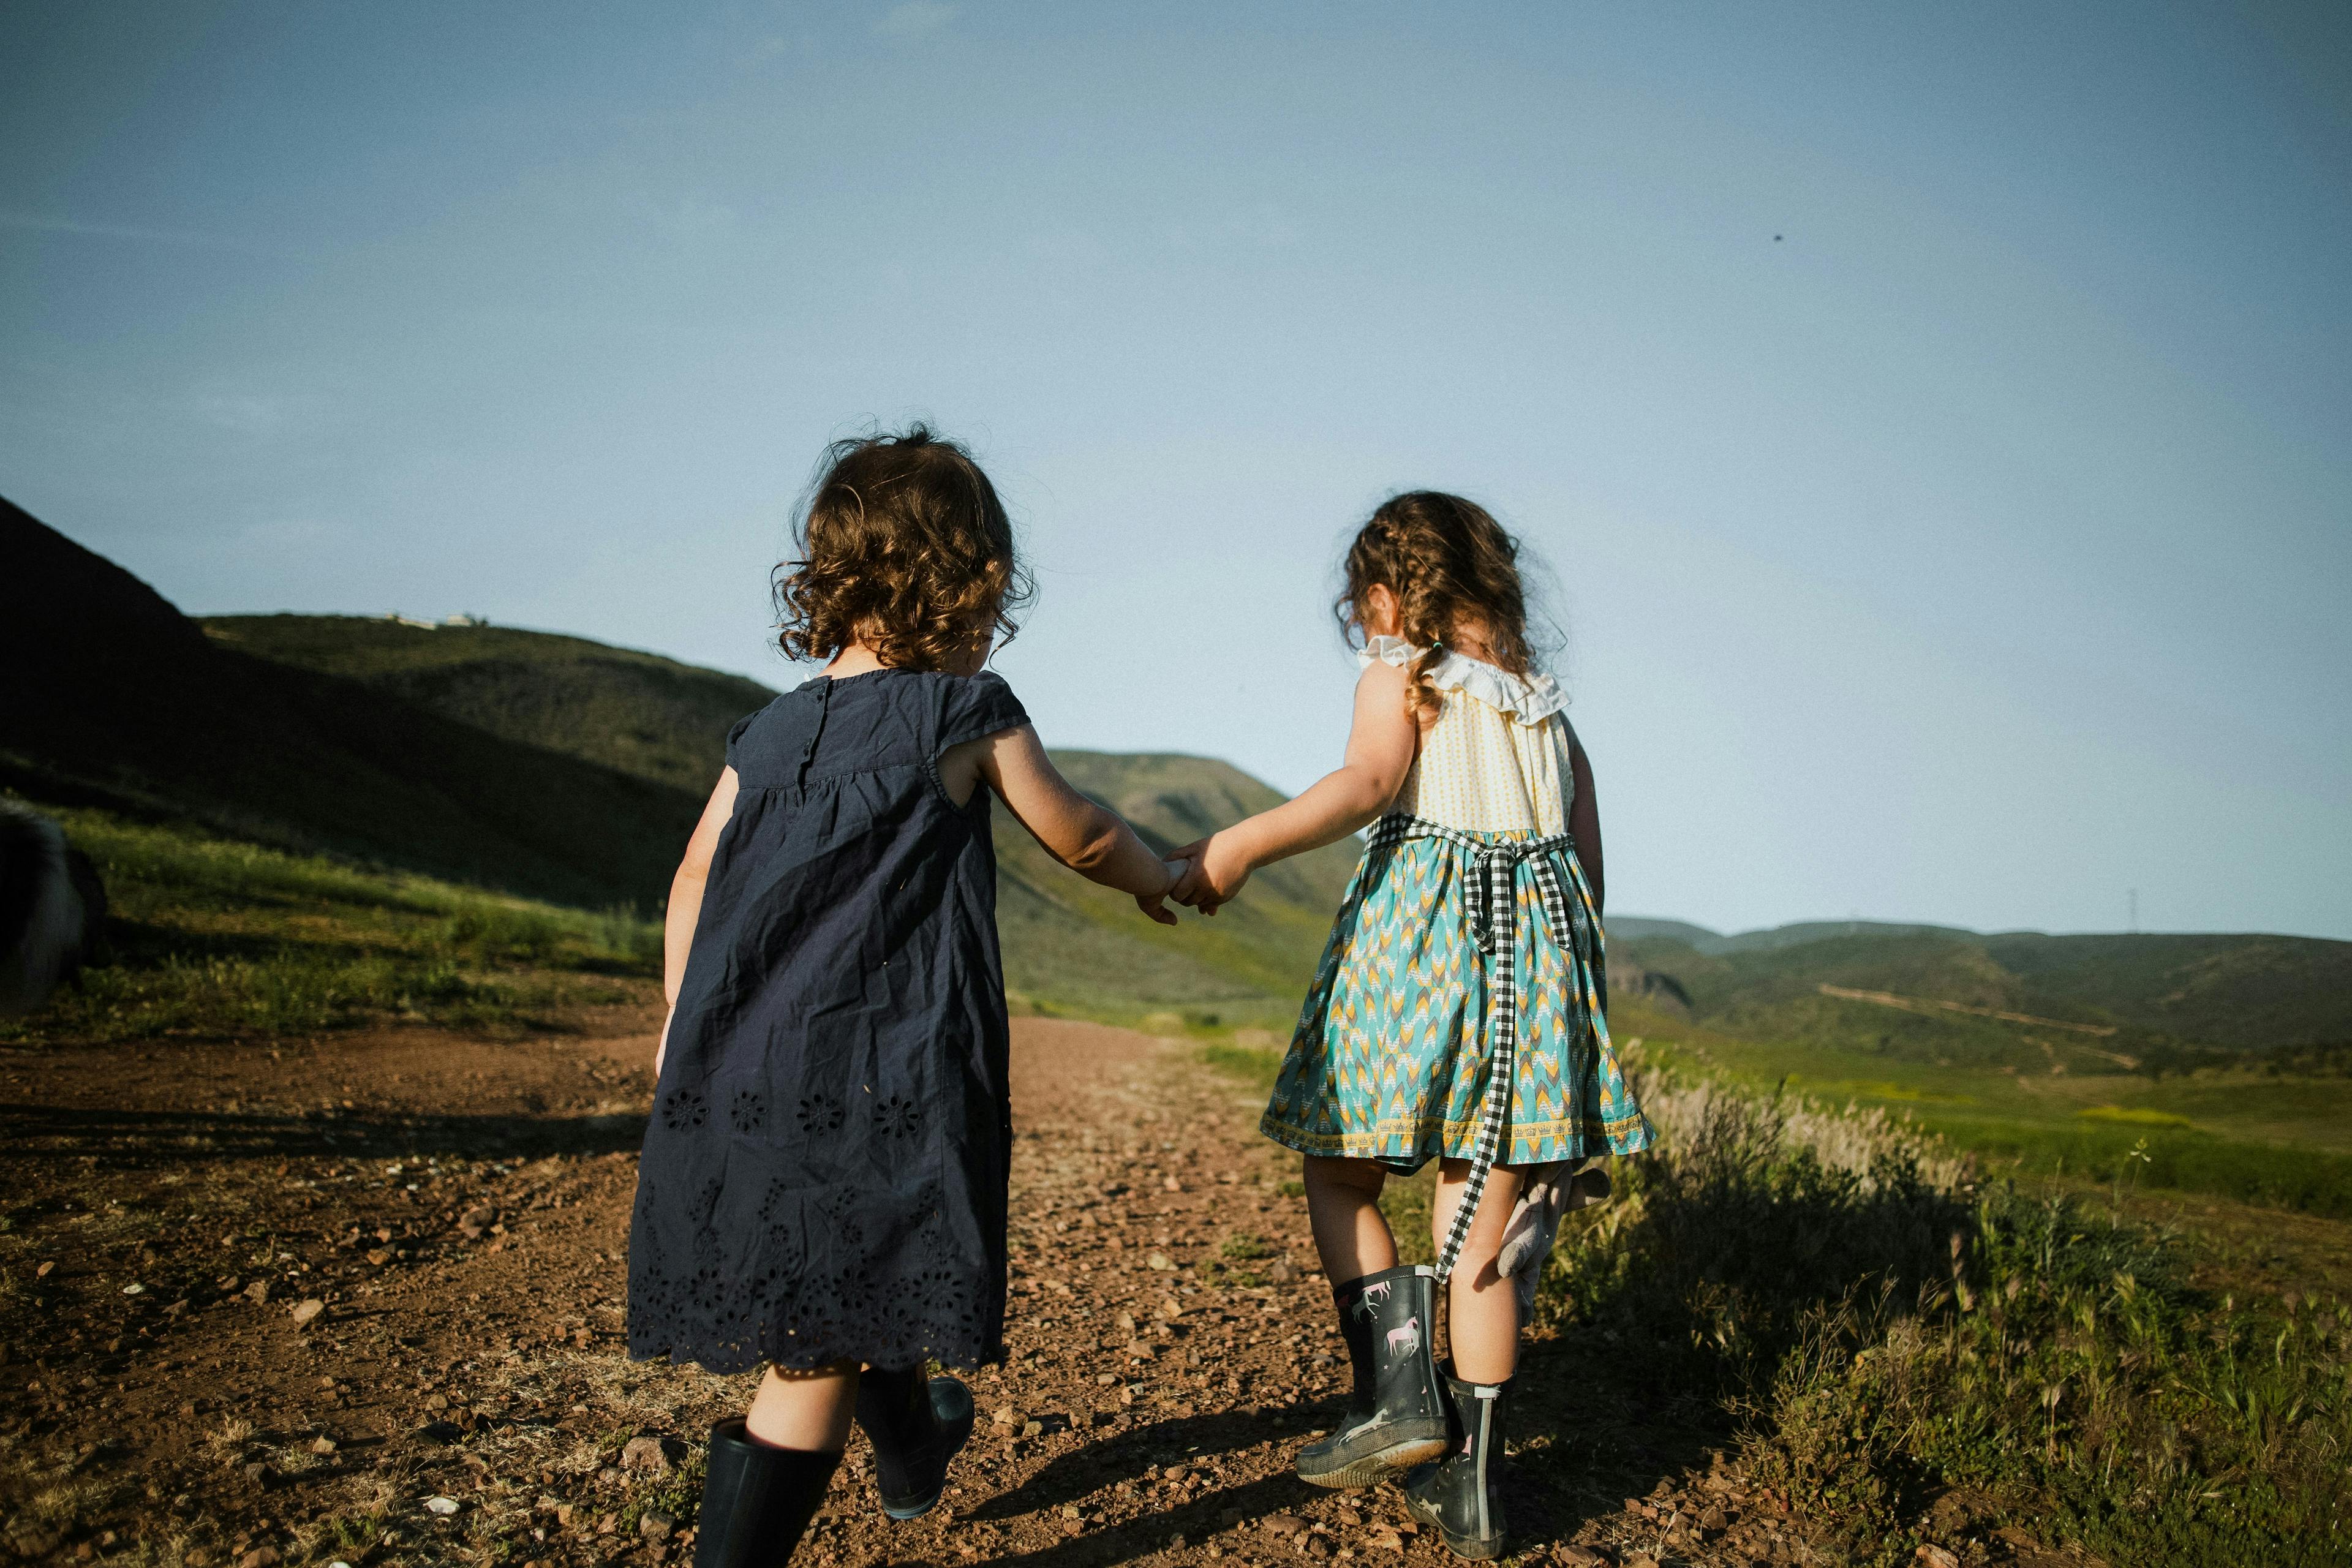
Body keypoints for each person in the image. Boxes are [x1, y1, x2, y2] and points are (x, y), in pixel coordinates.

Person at [627, 427, 1182, 1567]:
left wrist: (687, 1030)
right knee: (812, 1348)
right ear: (966, 578)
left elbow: (691, 877)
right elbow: (1076, 835)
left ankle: (917, 1445)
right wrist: (1166, 874)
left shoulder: (767, 732)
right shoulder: (963, 710)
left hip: (737, 1063)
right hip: (883, 1065)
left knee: (846, 1272)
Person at [1170, 492, 1652, 1561]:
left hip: (1418, 958)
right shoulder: (1546, 709)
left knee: (1341, 1168)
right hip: (1538, 980)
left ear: (1391, 596)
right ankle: (1475, 1490)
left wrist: (1238, 847)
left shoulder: (1405, 673)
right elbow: (1588, 873)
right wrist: (1571, 1014)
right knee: (1480, 1238)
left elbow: (1368, 783)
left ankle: (1397, 1392)